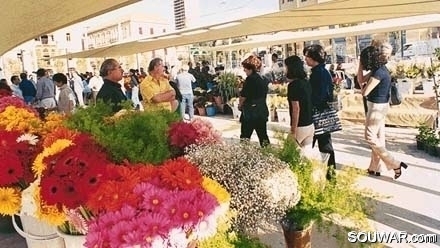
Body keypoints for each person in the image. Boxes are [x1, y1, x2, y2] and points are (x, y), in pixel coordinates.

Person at [360, 44, 408, 179]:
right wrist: (360, 65)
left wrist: (361, 66)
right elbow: (361, 80)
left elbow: (364, 91)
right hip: (380, 106)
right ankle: (374, 167)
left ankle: (395, 163)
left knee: (370, 137)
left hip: (376, 107)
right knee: (378, 139)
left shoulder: (378, 72)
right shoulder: (379, 69)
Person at [303, 44, 336, 179]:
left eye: (307, 57)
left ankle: (328, 174)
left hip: (318, 113)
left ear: (313, 58)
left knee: (317, 144)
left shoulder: (318, 73)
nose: (305, 60)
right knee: (324, 144)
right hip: (323, 111)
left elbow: (319, 95)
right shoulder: (323, 71)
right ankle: (330, 174)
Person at [238, 54, 270, 147]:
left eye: (245, 68)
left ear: (250, 69)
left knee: (245, 136)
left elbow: (243, 96)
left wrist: (240, 105)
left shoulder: (250, 80)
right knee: (263, 136)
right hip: (262, 109)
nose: (244, 70)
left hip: (250, 111)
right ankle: (268, 154)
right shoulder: (264, 79)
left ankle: (244, 155)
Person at [284, 55, 314, 151]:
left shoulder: (293, 86)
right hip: (310, 124)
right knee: (306, 157)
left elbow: (296, 108)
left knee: (288, 153)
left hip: (300, 126)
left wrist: (293, 130)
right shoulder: (306, 82)